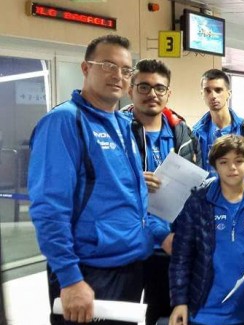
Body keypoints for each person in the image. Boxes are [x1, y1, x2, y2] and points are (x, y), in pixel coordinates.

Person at [28, 35, 170, 324]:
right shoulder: (64, 122)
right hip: (88, 273)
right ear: (85, 68)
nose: (118, 75)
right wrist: (69, 279)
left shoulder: (123, 125)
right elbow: (49, 208)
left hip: (131, 266)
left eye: (126, 69)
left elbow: (132, 200)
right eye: (108, 65)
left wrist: (161, 234)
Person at [169, 135, 244, 325]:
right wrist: (179, 301)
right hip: (204, 311)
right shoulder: (198, 202)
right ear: (214, 166)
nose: (232, 168)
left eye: (239, 161)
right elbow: (181, 255)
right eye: (224, 162)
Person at [122, 59, 199, 325]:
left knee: (164, 314)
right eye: (143, 87)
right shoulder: (116, 132)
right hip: (129, 245)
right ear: (130, 90)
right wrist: (130, 180)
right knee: (122, 315)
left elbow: (194, 188)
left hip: (170, 246)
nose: (152, 94)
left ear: (168, 93)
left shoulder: (182, 133)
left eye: (159, 88)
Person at [192, 69, 244, 174]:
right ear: (202, 94)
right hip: (210, 189)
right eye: (208, 90)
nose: (213, 96)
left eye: (218, 90)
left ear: (229, 94)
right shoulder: (196, 133)